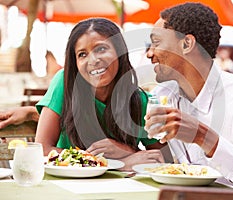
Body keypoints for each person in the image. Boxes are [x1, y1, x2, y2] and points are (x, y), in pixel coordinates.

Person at [144, 2, 233, 191]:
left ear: (187, 44)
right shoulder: (164, 95)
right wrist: (130, 155)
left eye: (156, 43)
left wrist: (204, 138)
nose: (149, 54)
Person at [27, 18, 167, 171]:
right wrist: (114, 162)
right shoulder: (65, 83)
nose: (93, 60)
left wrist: (126, 150)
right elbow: (42, 150)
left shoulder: (139, 101)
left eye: (101, 49)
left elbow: (162, 158)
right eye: (82, 54)